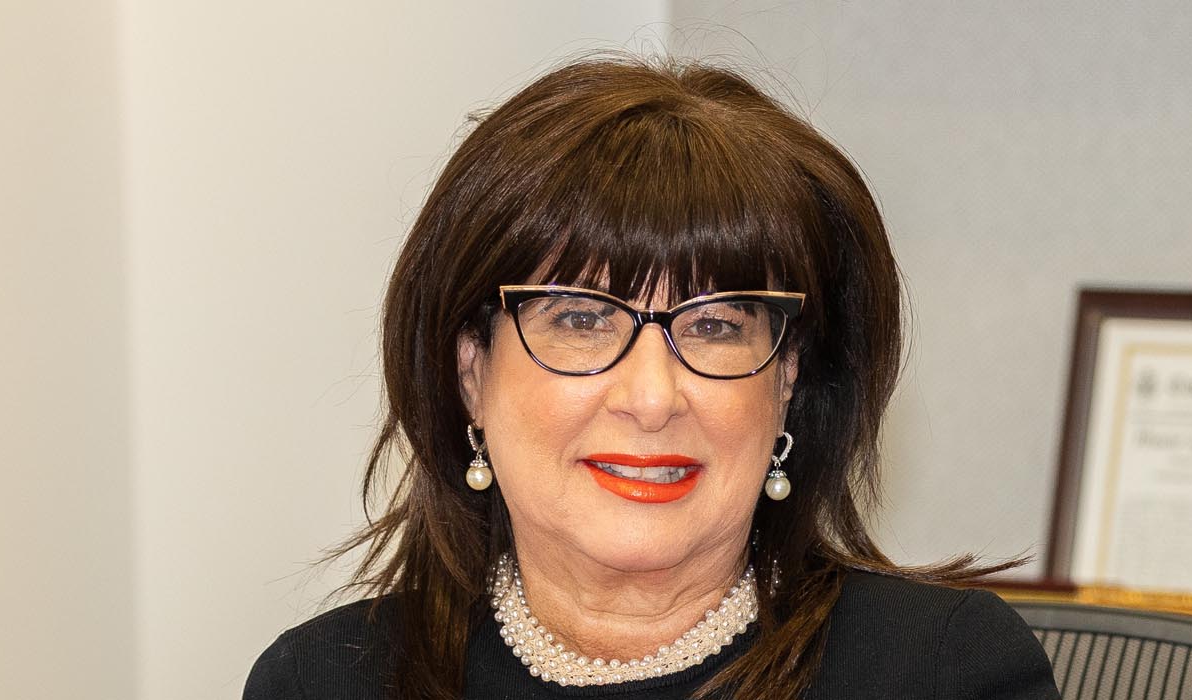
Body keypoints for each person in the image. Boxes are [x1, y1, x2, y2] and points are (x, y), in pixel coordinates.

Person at [243, 55, 1061, 700]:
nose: (650, 398)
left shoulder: (942, 671)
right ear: (470, 372)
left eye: (714, 326)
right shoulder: (327, 679)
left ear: (785, 380)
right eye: (579, 319)